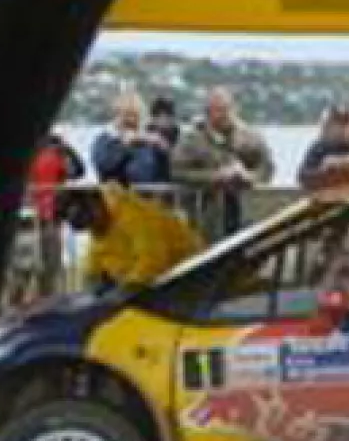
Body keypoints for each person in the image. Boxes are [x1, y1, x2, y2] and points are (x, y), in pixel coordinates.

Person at [53, 184, 205, 290]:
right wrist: (92, 283)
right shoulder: (99, 224)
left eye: (88, 219)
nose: (92, 227)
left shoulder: (133, 214)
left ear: (94, 202)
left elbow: (152, 260)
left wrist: (125, 290)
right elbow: (95, 260)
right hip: (155, 283)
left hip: (189, 275)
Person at [171, 87, 275, 242]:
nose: (225, 114)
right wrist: (215, 176)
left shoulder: (250, 137)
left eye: (227, 109)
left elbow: (267, 167)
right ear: (208, 112)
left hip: (243, 211)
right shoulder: (192, 139)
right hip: (205, 213)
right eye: (219, 110)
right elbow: (178, 171)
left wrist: (249, 176)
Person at [10, 132, 85, 308]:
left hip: (51, 218)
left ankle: (44, 309)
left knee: (50, 268)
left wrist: (66, 148)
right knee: (23, 269)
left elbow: (77, 171)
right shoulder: (20, 147)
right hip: (26, 219)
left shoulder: (57, 147)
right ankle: (14, 308)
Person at [92, 92, 171, 187]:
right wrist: (124, 146)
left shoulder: (147, 142)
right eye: (128, 115)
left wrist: (162, 151)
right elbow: (105, 166)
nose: (132, 120)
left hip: (148, 193)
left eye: (135, 116)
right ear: (117, 115)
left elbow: (164, 176)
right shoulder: (105, 140)